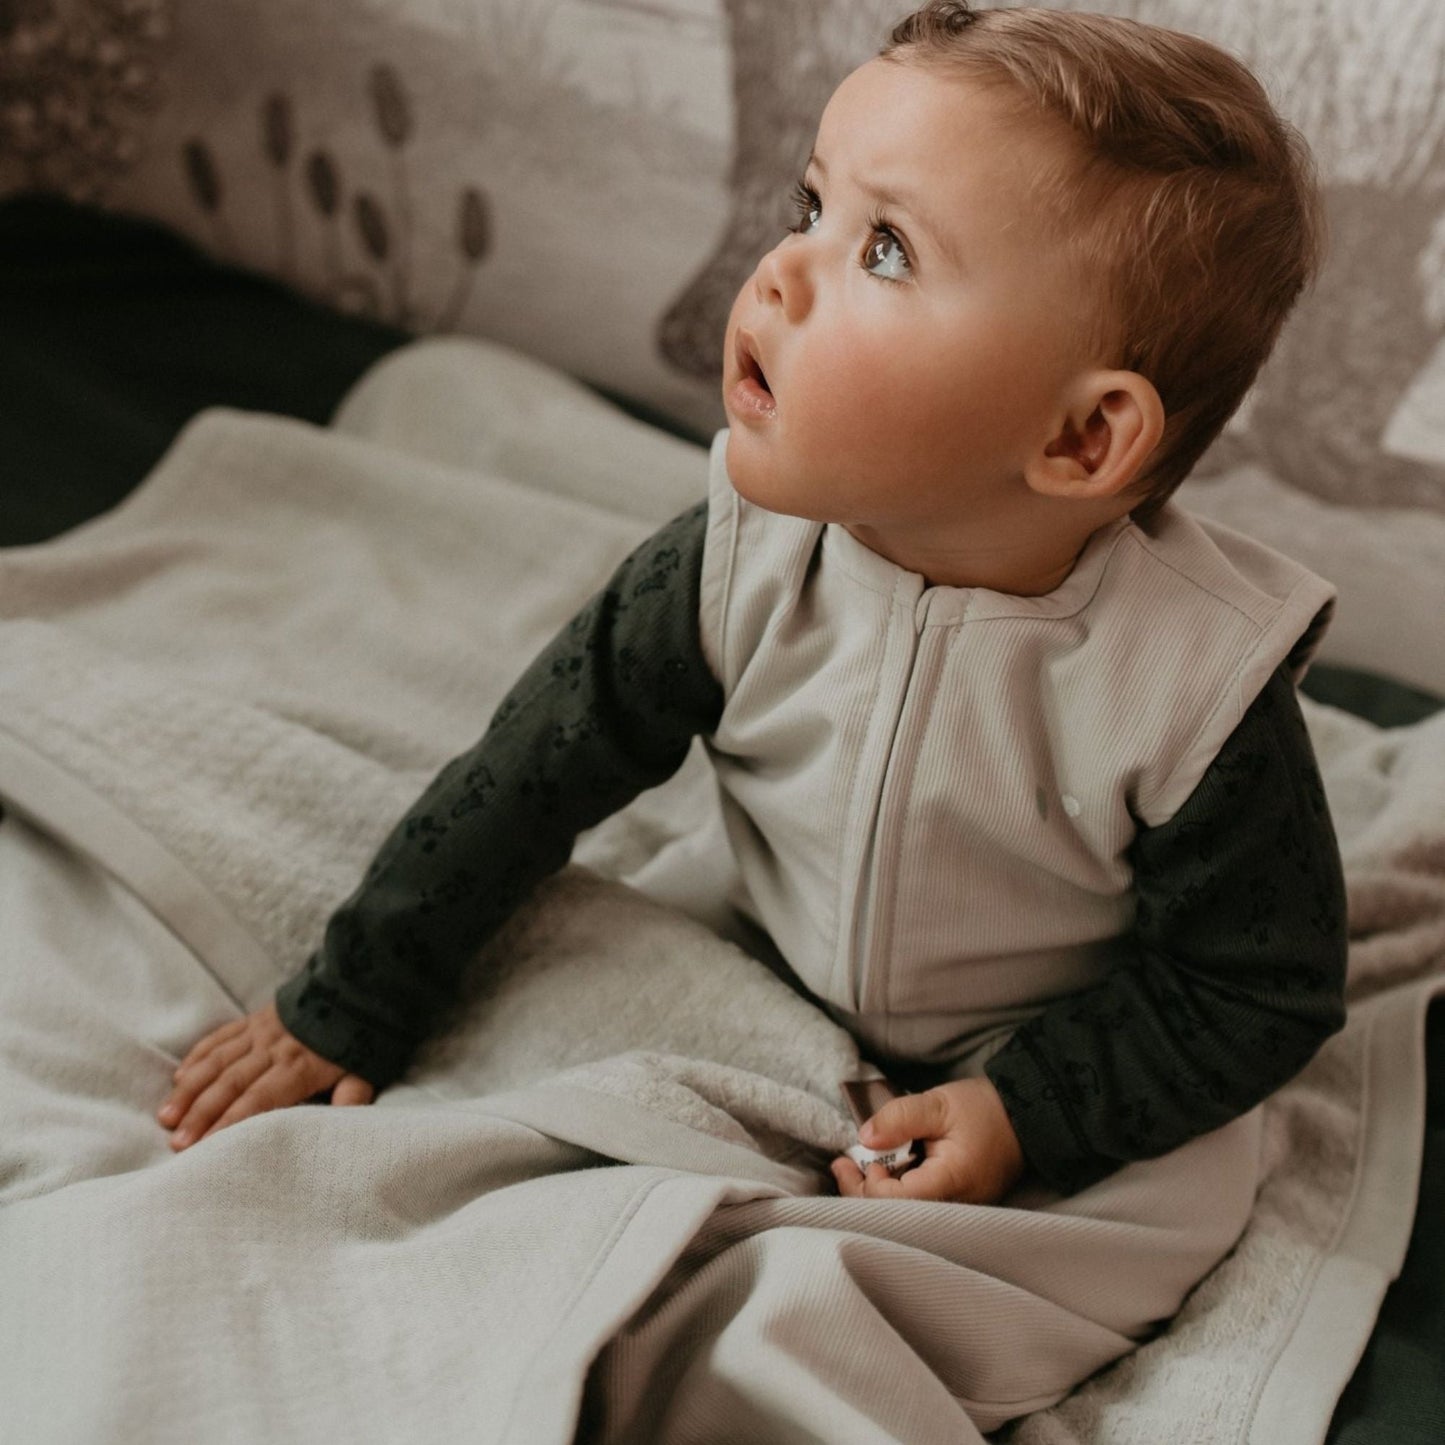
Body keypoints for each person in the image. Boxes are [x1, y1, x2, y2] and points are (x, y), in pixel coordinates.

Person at [158, 1, 1347, 1206]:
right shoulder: (736, 562)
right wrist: (355, 995)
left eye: (885, 251)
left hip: (1036, 1044)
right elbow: (525, 776)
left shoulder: (1190, 696)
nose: (779, 271)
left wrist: (1023, 1114)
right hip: (750, 960)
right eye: (809, 206)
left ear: (1080, 436)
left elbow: (1256, 987)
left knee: (1143, 1212)